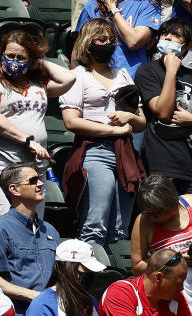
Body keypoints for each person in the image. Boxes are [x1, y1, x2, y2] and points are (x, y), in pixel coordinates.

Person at [61, 18, 148, 245]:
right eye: (102, 39)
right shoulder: (77, 76)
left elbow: (141, 122)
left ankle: (113, 278)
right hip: (95, 151)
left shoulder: (122, 75)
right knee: (95, 226)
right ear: (88, 43)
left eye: (111, 40)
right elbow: (71, 122)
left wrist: (130, 117)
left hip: (125, 153)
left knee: (119, 230)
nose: (107, 44)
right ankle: (89, 278)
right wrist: (111, 131)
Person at [0, 31, 74, 219]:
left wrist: (40, 61)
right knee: (4, 219)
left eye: (21, 57)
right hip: (3, 162)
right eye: (9, 56)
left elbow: (68, 79)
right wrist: (28, 141)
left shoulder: (38, 83)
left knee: (34, 222)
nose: (14, 61)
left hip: (35, 166)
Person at [136, 20, 192, 192]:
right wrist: (171, 71)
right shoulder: (147, 71)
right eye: (165, 34)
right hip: (160, 165)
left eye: (176, 35)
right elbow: (162, 112)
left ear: (187, 45)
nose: (168, 37)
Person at [131, 174, 192, 314]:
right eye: (148, 213)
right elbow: (137, 266)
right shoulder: (143, 222)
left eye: (158, 212)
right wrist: (174, 262)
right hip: (175, 303)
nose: (153, 217)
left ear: (172, 202)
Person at [0, 162, 61, 312]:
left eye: (39, 179)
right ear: (14, 189)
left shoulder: (50, 230)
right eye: (32, 181)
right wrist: (34, 296)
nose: (40, 184)